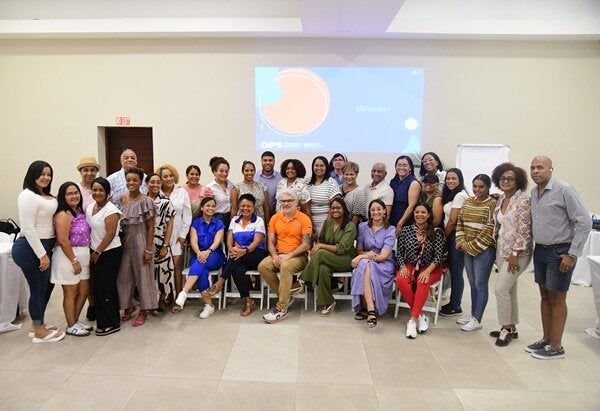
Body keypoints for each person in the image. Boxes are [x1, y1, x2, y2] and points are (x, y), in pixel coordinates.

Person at [527, 155, 591, 359]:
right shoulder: (534, 192)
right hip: (541, 250)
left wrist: (572, 254)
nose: (535, 171)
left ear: (551, 169)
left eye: (540, 167)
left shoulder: (564, 190)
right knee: (544, 295)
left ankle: (556, 347)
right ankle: (546, 339)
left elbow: (584, 222)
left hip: (560, 252)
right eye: (532, 168)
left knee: (557, 298)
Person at [12, 161, 64, 343]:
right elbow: (27, 228)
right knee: (37, 288)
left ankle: (37, 324)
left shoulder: (45, 195)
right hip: (30, 248)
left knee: (46, 286)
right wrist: (42, 254)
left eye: (49, 174)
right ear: (32, 174)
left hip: (46, 245)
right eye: (42, 174)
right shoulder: (28, 195)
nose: (46, 177)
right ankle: (39, 331)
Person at [489, 162, 532, 346]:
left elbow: (525, 230)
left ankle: (505, 328)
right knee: (510, 289)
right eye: (502, 178)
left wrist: (515, 253)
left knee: (500, 289)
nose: (506, 181)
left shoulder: (523, 200)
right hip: (502, 249)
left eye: (510, 179)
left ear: (518, 181)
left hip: (518, 253)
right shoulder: (501, 199)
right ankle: (512, 327)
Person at [205, 194, 268, 316]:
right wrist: (230, 248)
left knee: (235, 258)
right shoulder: (234, 220)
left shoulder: (258, 220)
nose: (245, 208)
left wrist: (243, 251)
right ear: (239, 206)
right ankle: (248, 301)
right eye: (243, 206)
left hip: (256, 254)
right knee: (237, 270)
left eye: (248, 206)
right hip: (239, 256)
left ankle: (220, 282)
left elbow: (257, 241)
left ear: (253, 207)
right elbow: (229, 236)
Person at [294, 198, 356, 315]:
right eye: (332, 208)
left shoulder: (350, 226)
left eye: (338, 208)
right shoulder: (328, 223)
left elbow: (342, 248)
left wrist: (320, 247)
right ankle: (329, 301)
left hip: (346, 259)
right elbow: (321, 240)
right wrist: (316, 247)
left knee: (321, 253)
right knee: (322, 268)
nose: (335, 210)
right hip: (329, 257)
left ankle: (302, 280)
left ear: (344, 210)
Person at [258, 189, 312, 324]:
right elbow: (270, 241)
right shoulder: (275, 218)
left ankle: (281, 308)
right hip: (279, 254)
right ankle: (286, 297)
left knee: (285, 266)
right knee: (263, 266)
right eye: (283, 201)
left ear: (296, 202)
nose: (286, 203)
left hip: (298, 256)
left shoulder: (304, 219)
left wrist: (289, 256)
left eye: (289, 201)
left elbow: (306, 244)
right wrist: (274, 256)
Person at [396, 203, 445, 338]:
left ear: (428, 215)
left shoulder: (436, 232)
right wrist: (403, 266)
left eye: (423, 212)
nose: (419, 215)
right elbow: (399, 253)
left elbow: (438, 257)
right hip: (410, 265)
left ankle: (412, 321)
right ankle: (421, 316)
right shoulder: (406, 231)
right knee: (400, 279)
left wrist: (427, 271)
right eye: (417, 212)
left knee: (422, 280)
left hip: (430, 267)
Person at [455, 174, 496, 332]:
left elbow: (490, 228)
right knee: (472, 283)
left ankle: (477, 318)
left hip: (484, 250)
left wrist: (472, 246)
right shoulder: (468, 201)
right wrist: (462, 242)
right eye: (475, 186)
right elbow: (460, 223)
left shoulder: (492, 204)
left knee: (480, 284)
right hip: (466, 248)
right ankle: (473, 314)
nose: (477, 189)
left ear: (488, 187)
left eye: (481, 187)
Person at [51, 182, 92, 336]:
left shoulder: (79, 212)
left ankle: (75, 320)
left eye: (76, 193)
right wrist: (74, 261)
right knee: (71, 292)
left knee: (84, 290)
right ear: (63, 197)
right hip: (68, 256)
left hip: (83, 253)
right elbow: (63, 240)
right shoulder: (63, 214)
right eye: (69, 194)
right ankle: (71, 325)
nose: (74, 196)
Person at [116, 167, 157, 327]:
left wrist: (148, 249)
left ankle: (144, 310)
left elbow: (151, 227)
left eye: (135, 180)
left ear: (141, 182)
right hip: (125, 240)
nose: (131, 183)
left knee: (143, 276)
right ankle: (128, 306)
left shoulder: (147, 201)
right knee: (123, 276)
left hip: (141, 239)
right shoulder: (122, 199)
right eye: (128, 180)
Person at [174, 197, 226, 318]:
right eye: (208, 205)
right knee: (202, 271)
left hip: (215, 255)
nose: (210, 208)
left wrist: (208, 251)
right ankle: (209, 305)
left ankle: (184, 291)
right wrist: (198, 252)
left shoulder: (219, 223)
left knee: (200, 263)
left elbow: (217, 241)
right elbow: (193, 241)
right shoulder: (195, 223)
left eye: (213, 206)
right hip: (199, 255)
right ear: (202, 208)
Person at [350, 199, 396, 328]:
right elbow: (359, 250)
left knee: (365, 264)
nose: (376, 212)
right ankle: (371, 309)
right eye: (373, 210)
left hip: (384, 264)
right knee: (366, 265)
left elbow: (383, 256)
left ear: (384, 211)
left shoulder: (390, 229)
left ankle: (367, 309)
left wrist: (363, 257)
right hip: (367, 261)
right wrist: (365, 256)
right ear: (369, 212)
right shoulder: (362, 227)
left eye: (379, 209)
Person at [86, 177, 123, 336]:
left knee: (105, 288)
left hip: (109, 252)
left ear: (108, 193)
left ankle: (111, 323)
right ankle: (104, 319)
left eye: (101, 190)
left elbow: (110, 234)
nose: (97, 193)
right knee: (98, 288)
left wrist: (97, 252)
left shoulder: (111, 210)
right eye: (95, 189)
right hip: (95, 251)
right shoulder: (90, 207)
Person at [156, 164, 191, 297]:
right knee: (162, 268)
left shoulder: (182, 192)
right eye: (165, 176)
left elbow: (187, 216)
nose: (169, 179)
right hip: (160, 236)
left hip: (177, 236)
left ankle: (177, 297)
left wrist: (183, 236)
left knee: (176, 266)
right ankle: (163, 297)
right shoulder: (156, 193)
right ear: (160, 178)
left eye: (171, 176)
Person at [439, 168, 469, 317]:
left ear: (460, 180)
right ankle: (454, 302)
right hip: (451, 235)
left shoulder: (459, 195)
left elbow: (452, 220)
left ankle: (456, 305)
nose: (450, 181)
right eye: (448, 178)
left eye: (453, 178)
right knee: (453, 271)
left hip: (455, 236)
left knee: (457, 272)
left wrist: (444, 236)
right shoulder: (453, 195)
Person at [75, 156, 100, 322]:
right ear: (81, 172)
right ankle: (92, 304)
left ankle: (98, 303)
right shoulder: (76, 189)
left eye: (92, 170)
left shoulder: (99, 187)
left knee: (97, 274)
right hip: (82, 239)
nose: (89, 173)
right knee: (86, 275)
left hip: (98, 237)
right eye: (86, 170)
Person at [146, 173, 175, 312]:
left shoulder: (166, 201)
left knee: (163, 273)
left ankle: (162, 300)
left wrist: (165, 245)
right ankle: (150, 301)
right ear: (146, 184)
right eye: (152, 182)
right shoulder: (142, 200)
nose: (155, 185)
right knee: (148, 274)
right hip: (145, 242)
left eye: (158, 182)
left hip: (161, 241)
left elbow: (170, 225)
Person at [306, 156, 341, 236]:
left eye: (322, 166)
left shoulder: (331, 183)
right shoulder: (307, 182)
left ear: (326, 167)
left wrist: (326, 226)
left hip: (327, 222)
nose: (319, 168)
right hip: (308, 222)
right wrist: (310, 225)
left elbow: (335, 207)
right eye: (316, 165)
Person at [390, 155, 421, 233]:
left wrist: (400, 224)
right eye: (399, 165)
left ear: (410, 168)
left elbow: (411, 206)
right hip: (391, 221)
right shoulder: (393, 181)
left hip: (405, 223)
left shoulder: (413, 183)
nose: (401, 167)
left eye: (404, 165)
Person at [206, 156, 233, 229]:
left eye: (226, 171)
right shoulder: (210, 187)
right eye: (221, 171)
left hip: (231, 217)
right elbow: (207, 208)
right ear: (214, 172)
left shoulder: (231, 185)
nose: (224, 174)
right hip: (217, 218)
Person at [255, 151, 282, 216]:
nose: (267, 163)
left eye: (270, 160)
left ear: (274, 162)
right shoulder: (254, 176)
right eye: (265, 160)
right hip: (258, 215)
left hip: (276, 214)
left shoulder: (281, 177)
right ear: (261, 161)